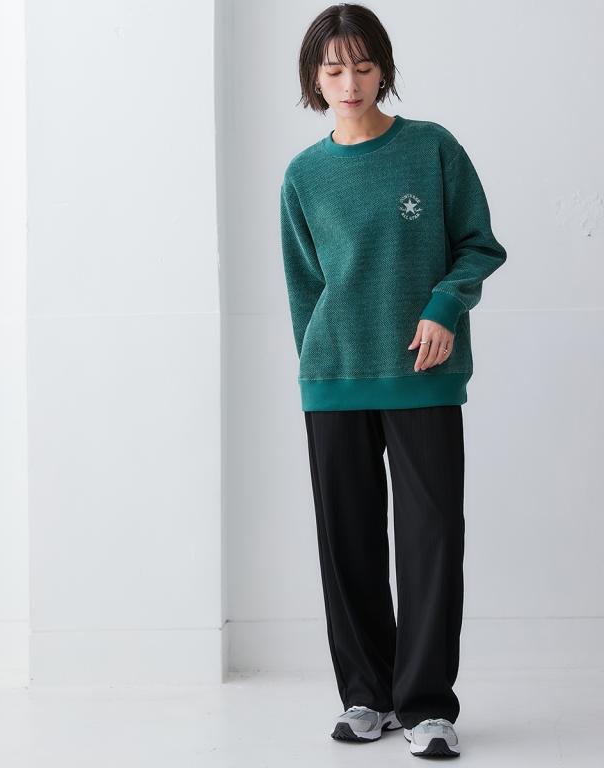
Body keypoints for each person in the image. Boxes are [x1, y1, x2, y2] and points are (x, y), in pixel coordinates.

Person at [279, 2, 507, 759]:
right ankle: (365, 695)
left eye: (364, 66)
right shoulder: (304, 175)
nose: (350, 82)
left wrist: (445, 306)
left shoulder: (431, 148)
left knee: (432, 539)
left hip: (423, 373)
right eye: (334, 69)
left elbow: (478, 244)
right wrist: (318, 368)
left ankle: (427, 705)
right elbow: (305, 287)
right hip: (335, 376)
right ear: (315, 78)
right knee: (347, 541)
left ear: (384, 70)